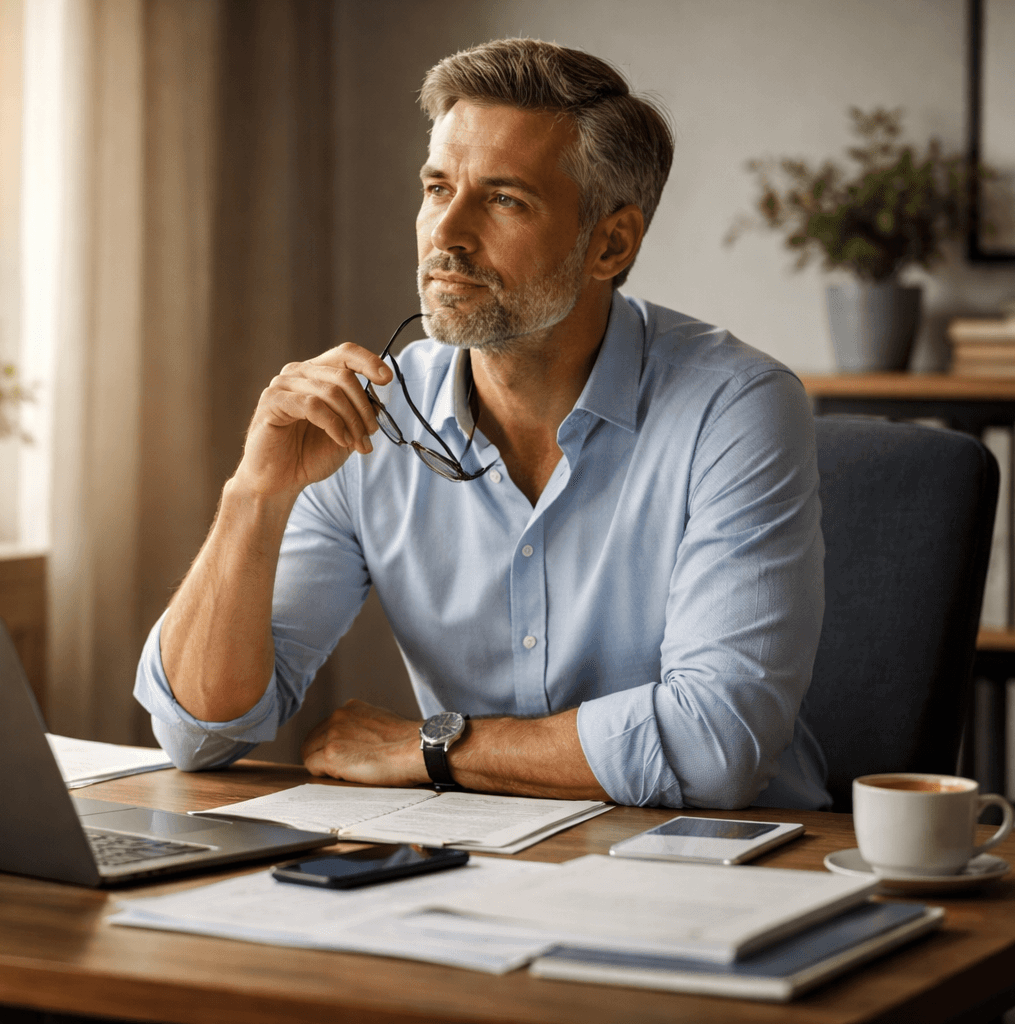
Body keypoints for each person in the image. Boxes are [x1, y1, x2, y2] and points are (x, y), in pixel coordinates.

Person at [133, 37, 829, 810]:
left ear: (611, 242)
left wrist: (428, 748)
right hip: (471, 870)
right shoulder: (372, 416)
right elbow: (200, 734)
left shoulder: (736, 408)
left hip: (721, 872)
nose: (447, 235)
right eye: (437, 188)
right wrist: (254, 495)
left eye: (503, 199)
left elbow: (715, 748)